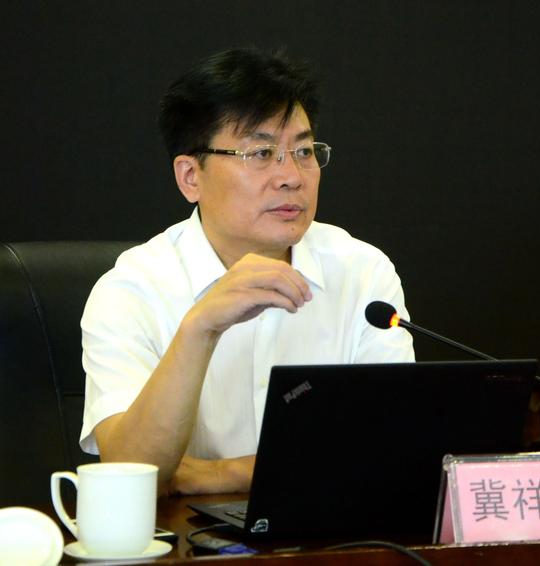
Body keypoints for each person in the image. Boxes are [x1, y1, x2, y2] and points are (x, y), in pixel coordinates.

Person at [79, 48, 414, 496]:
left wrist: (215, 474)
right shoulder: (130, 291)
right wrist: (200, 328)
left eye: (304, 151)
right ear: (190, 177)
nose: (291, 176)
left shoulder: (362, 273)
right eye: (261, 153)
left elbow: (390, 446)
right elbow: (133, 474)